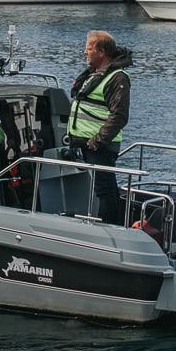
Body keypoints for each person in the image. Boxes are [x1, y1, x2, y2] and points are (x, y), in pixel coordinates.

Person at [67, 30, 132, 225]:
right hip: (84, 144)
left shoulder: (117, 78)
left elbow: (119, 116)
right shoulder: (95, 74)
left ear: (101, 52)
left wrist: (96, 142)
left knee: (106, 189)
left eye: (89, 49)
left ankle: (109, 228)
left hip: (99, 146)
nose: (85, 53)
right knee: (99, 188)